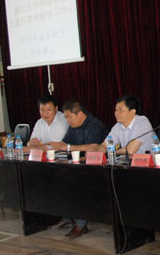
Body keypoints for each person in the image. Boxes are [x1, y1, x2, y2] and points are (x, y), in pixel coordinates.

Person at [49, 100, 108, 239]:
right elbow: (64, 144)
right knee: (57, 176)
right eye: (66, 117)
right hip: (80, 165)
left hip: (98, 169)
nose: (67, 120)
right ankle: (68, 216)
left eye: (69, 116)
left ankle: (81, 225)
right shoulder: (73, 126)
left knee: (79, 183)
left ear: (80, 114)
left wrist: (68, 148)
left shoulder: (95, 125)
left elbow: (94, 147)